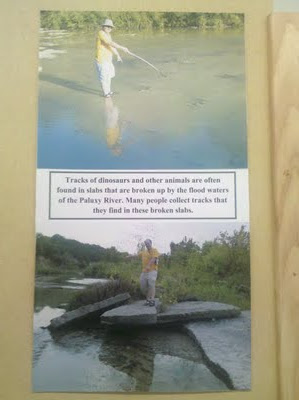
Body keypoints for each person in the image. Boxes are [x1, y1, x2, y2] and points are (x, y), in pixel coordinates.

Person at [95, 19, 130, 98]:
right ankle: (106, 93)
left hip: (108, 59)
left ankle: (109, 91)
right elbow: (110, 43)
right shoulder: (101, 33)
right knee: (104, 77)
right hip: (101, 59)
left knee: (109, 75)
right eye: (107, 26)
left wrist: (117, 54)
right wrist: (123, 48)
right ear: (103, 26)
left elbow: (110, 46)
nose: (109, 28)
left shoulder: (108, 35)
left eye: (110, 27)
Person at [139, 239, 160, 306]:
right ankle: (148, 299)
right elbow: (136, 255)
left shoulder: (154, 250)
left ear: (151, 243)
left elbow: (154, 259)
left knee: (151, 284)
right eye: (145, 243)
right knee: (143, 287)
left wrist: (148, 265)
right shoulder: (144, 252)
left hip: (152, 271)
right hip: (144, 271)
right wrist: (129, 257)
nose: (146, 244)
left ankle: (151, 300)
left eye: (148, 243)